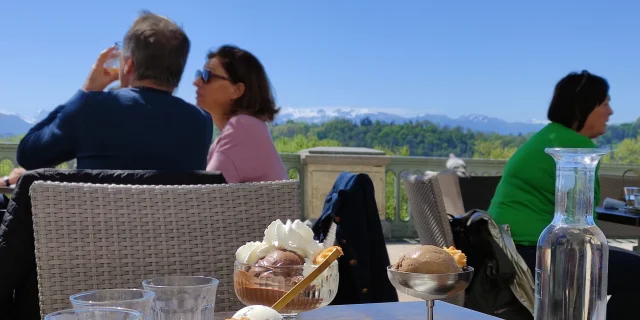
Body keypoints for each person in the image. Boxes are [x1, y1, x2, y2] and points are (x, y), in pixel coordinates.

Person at [488, 70, 638, 319]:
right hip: (533, 253)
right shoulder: (575, 150)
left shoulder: (548, 137)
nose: (610, 112)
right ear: (584, 106)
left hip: (505, 249)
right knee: (637, 272)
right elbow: (582, 223)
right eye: (606, 103)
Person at [17, 11, 213, 171]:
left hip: (95, 220)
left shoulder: (92, 107)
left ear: (129, 64)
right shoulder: (201, 122)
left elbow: (29, 155)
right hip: (171, 220)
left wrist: (87, 91)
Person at [193, 45, 287, 183]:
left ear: (237, 90)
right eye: (199, 75)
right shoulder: (249, 127)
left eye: (207, 76)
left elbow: (206, 194)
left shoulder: (242, 127)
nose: (196, 82)